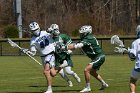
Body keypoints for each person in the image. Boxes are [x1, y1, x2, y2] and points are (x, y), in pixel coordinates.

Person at [26, 21, 67, 93]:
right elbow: (33, 52)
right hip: (43, 57)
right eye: (33, 30)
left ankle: (49, 89)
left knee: (46, 72)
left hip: (50, 54)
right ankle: (63, 65)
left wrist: (52, 30)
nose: (35, 31)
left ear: (39, 28)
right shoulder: (32, 40)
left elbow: (56, 34)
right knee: (53, 73)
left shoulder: (45, 32)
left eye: (36, 29)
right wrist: (28, 52)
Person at [68, 25, 108, 92]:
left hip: (99, 57)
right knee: (92, 72)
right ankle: (104, 84)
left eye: (82, 33)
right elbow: (74, 45)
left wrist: (65, 48)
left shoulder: (89, 38)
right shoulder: (85, 38)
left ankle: (88, 87)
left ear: (87, 32)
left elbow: (78, 45)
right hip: (97, 57)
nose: (81, 34)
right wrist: (64, 47)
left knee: (86, 70)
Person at [128, 25, 140, 93]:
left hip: (138, 67)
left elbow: (132, 57)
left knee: (132, 81)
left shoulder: (135, 42)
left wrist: (129, 52)